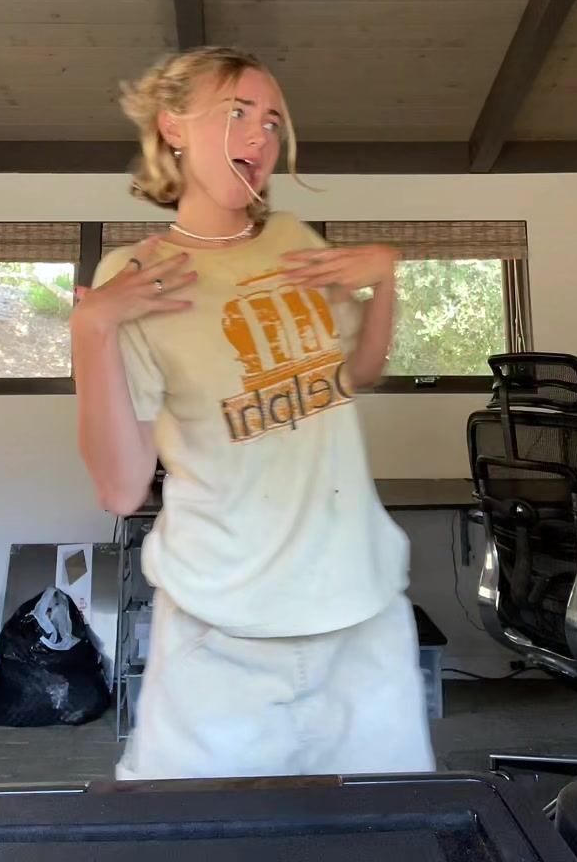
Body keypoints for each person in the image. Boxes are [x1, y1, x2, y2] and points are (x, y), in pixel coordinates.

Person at [72, 45, 434, 781]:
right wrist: (90, 329)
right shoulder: (136, 275)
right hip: (221, 633)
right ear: (173, 126)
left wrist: (385, 279)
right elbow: (120, 488)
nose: (260, 136)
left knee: (385, 829)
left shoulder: (295, 239)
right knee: (197, 832)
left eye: (271, 121)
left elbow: (357, 374)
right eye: (237, 112)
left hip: (361, 614)